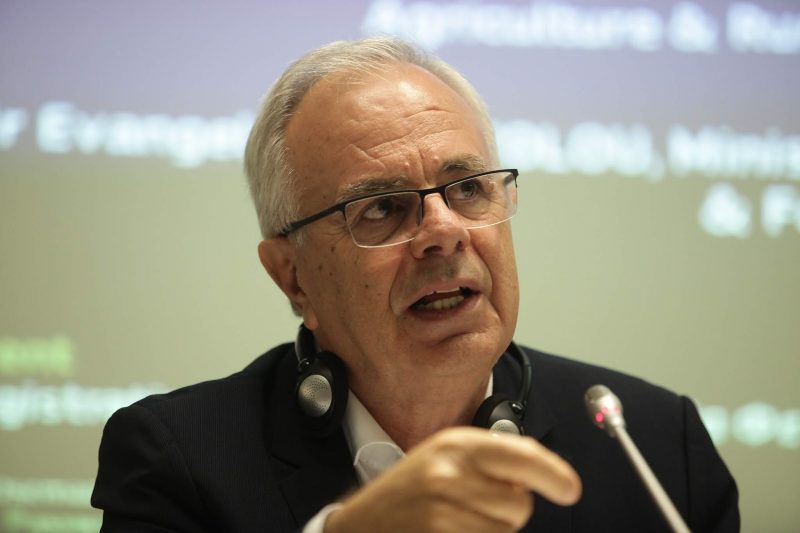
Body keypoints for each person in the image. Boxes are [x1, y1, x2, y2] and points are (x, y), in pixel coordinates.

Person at [91, 37, 739, 532]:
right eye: (381, 207)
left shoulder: (653, 445)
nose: (444, 231)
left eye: (468, 189)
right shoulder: (178, 460)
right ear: (293, 277)